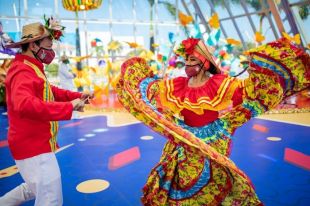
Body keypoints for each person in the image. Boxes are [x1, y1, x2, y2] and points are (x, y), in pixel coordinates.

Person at [116, 37, 309, 205]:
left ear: (204, 63)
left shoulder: (220, 84)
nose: (187, 64)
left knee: (213, 175)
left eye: (192, 60)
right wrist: (135, 81)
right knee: (180, 176)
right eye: (186, 60)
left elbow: (250, 92)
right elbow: (151, 91)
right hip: (184, 137)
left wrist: (263, 71)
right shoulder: (177, 84)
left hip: (213, 137)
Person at [0, 17, 93, 206]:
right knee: (50, 199)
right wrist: (69, 106)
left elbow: (50, 92)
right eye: (49, 45)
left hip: (36, 143)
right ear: (34, 45)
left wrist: (78, 96)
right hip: (33, 146)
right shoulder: (22, 70)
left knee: (34, 188)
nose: (52, 51)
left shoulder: (31, 67)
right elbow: (24, 104)